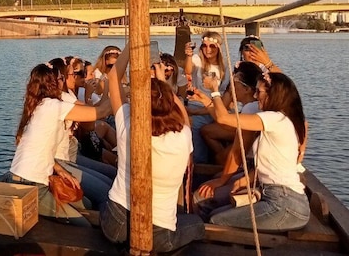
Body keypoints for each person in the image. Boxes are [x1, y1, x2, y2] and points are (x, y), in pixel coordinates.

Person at [100, 45, 205, 252]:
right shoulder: (182, 136)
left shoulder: (129, 124)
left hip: (118, 222)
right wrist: (162, 83)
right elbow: (182, 114)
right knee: (197, 225)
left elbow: (113, 78)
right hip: (159, 233)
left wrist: (131, 46)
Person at [196, 71, 310, 231]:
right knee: (212, 211)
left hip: (284, 204)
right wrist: (245, 180)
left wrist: (214, 89)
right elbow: (272, 164)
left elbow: (223, 119)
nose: (256, 96)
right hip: (271, 194)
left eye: (259, 92)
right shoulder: (280, 120)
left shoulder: (275, 119)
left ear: (273, 95)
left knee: (217, 220)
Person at [9, 62, 112, 223]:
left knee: (86, 204)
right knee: (83, 224)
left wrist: (59, 170)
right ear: (53, 83)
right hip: (30, 183)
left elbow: (41, 149)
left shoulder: (39, 105)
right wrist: (118, 91)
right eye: (61, 78)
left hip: (32, 177)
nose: (62, 81)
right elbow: (100, 112)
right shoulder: (53, 106)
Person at [199, 61, 262, 165]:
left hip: (251, 160)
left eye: (234, 83)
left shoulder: (251, 108)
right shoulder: (251, 105)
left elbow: (224, 121)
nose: (231, 88)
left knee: (219, 159)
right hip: (243, 145)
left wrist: (214, 90)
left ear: (247, 89)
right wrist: (205, 101)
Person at [183, 31, 229, 163]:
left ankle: (221, 162)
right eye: (204, 46)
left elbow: (225, 94)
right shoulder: (197, 60)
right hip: (197, 105)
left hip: (215, 107)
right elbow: (187, 70)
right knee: (196, 126)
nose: (208, 49)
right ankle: (199, 164)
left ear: (219, 48)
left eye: (212, 46)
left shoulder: (225, 65)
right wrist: (189, 55)